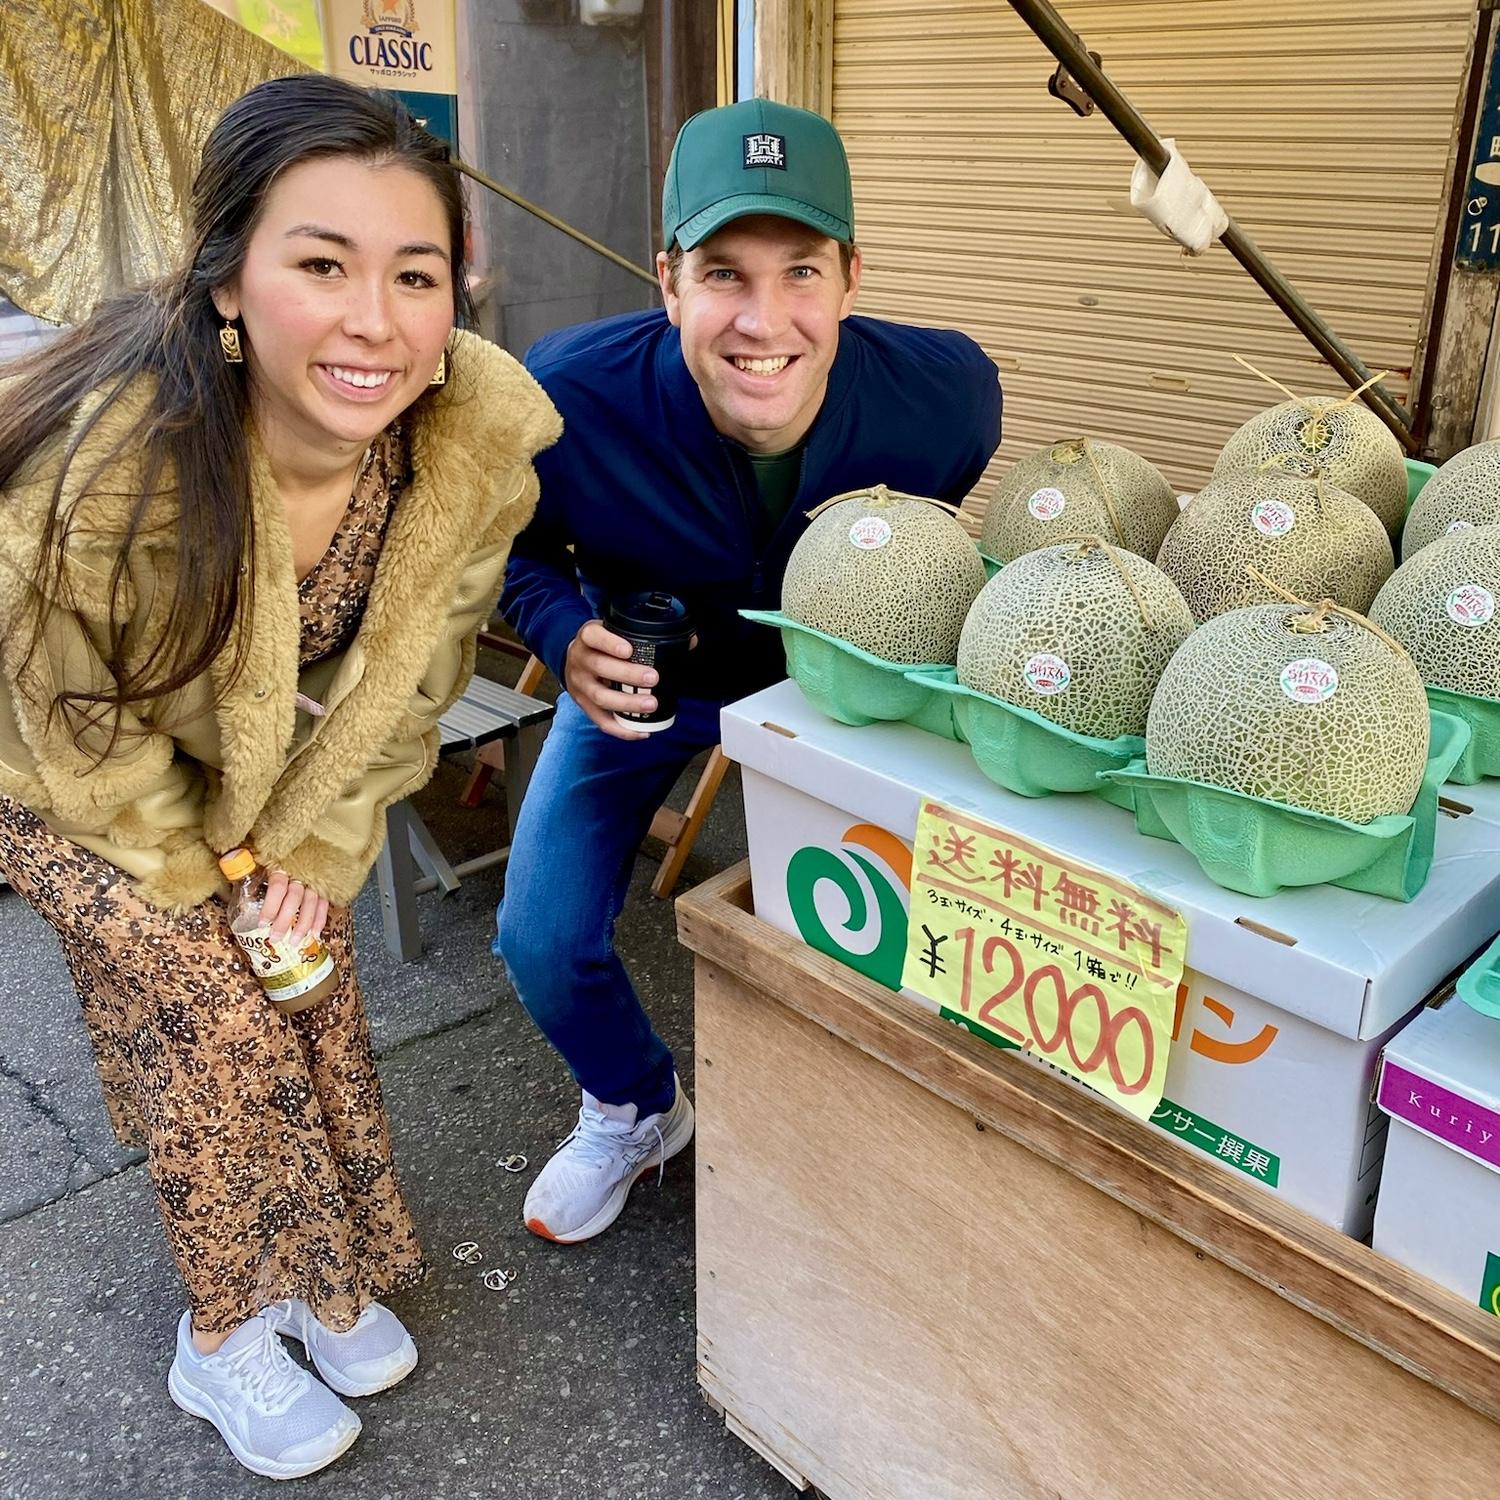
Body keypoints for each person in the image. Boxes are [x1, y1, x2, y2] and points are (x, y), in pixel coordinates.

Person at [0, 76, 559, 1478]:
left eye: (413, 273)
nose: (376, 320)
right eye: (322, 264)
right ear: (232, 283)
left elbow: (413, 684)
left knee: (306, 980)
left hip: (219, 760)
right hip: (53, 762)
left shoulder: (467, 446)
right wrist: (213, 877)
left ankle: (329, 1272)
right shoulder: (110, 463)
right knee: (206, 1017)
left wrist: (303, 858)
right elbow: (56, 715)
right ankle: (223, 1334)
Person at [496, 98, 1001, 1245]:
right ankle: (633, 1106)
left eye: (801, 273)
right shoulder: (566, 396)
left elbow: (934, 529)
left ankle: (895, 1134)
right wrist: (558, 627)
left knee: (900, 927)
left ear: (852, 279)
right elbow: (509, 546)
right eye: (724, 273)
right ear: (668, 279)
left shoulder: (946, 399)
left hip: (840, 701)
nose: (763, 320)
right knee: (540, 936)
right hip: (647, 683)